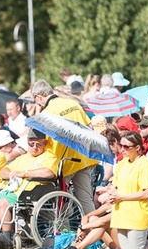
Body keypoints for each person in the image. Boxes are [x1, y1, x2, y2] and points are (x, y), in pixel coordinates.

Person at [31, 80, 98, 214]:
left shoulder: (47, 113)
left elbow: (44, 141)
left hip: (64, 162)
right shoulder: (73, 103)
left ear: (38, 96)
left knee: (59, 200)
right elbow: (89, 127)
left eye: (36, 101)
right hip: (83, 157)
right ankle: (94, 230)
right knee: (86, 200)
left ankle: (63, 232)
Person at [0, 130, 57, 249]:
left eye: (38, 144)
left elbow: (48, 173)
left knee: (3, 202)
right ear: (27, 143)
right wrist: (12, 173)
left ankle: (6, 238)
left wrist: (24, 173)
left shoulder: (49, 156)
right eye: (31, 144)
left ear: (45, 143)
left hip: (34, 190)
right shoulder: (23, 158)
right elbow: (3, 171)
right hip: (16, 190)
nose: (35, 147)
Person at [105, 131, 148, 249]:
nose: (122, 149)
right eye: (121, 146)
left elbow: (147, 193)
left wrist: (121, 197)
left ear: (138, 148)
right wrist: (111, 191)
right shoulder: (122, 163)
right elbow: (115, 185)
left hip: (136, 215)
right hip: (121, 214)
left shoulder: (144, 164)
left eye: (126, 147)